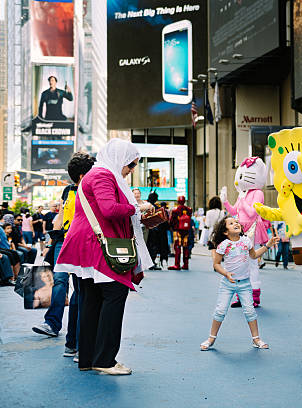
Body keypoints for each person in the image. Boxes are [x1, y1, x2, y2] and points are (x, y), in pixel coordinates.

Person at [54, 139, 154, 375]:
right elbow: (109, 209)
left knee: (91, 301)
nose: (130, 171)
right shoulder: (103, 175)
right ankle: (105, 359)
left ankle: (89, 358)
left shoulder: (95, 175)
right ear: (120, 159)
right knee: (114, 296)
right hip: (99, 247)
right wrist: (137, 208)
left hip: (87, 246)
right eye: (130, 165)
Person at [32, 152, 96, 367]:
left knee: (79, 290)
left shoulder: (93, 190)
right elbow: (61, 214)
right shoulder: (69, 190)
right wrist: (50, 243)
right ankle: (52, 324)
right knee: (59, 281)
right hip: (63, 240)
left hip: (80, 241)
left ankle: (74, 343)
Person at [199, 216, 279, 351]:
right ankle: (211, 338)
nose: (236, 223)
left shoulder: (246, 241)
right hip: (227, 284)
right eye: (231, 223)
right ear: (225, 232)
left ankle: (256, 339)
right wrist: (226, 273)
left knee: (250, 311)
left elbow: (253, 256)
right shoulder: (223, 245)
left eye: (236, 222)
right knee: (220, 311)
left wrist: (267, 245)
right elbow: (216, 264)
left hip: (245, 284)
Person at [168, 196, 193, 270]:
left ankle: (177, 264)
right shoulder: (189, 209)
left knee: (177, 247)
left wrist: (172, 227)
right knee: (185, 247)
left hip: (177, 231)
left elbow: (171, 221)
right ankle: (186, 264)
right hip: (186, 231)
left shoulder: (175, 210)